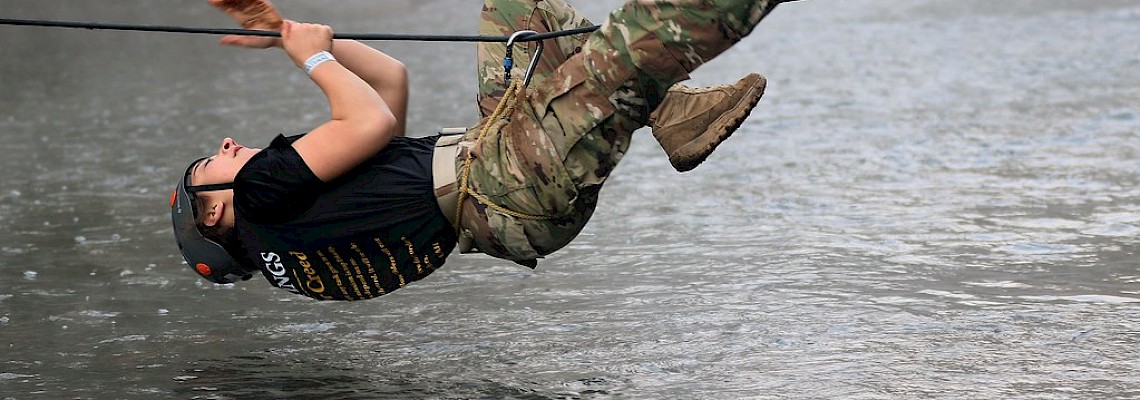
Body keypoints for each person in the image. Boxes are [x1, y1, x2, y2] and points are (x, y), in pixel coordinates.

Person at [171, 0, 794, 301]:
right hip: (504, 181)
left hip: (497, 178)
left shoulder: (290, 231)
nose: (224, 145)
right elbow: (367, 119)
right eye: (209, 162)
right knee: (629, 45)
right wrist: (307, 56)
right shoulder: (260, 195)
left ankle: (675, 116)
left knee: (517, 11)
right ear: (215, 211)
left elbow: (389, 86)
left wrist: (295, 35)